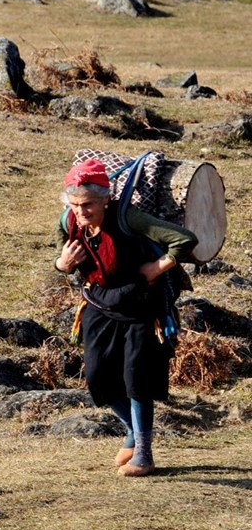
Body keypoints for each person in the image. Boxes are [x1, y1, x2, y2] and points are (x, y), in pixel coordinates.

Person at [55, 159, 197, 477]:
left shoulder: (128, 218)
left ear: (106, 198)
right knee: (97, 377)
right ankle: (133, 431)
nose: (81, 212)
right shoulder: (68, 221)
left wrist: (157, 267)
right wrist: (62, 263)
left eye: (88, 205)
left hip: (140, 305)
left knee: (137, 378)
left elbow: (184, 240)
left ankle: (144, 455)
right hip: (98, 304)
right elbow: (61, 256)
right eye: (75, 205)